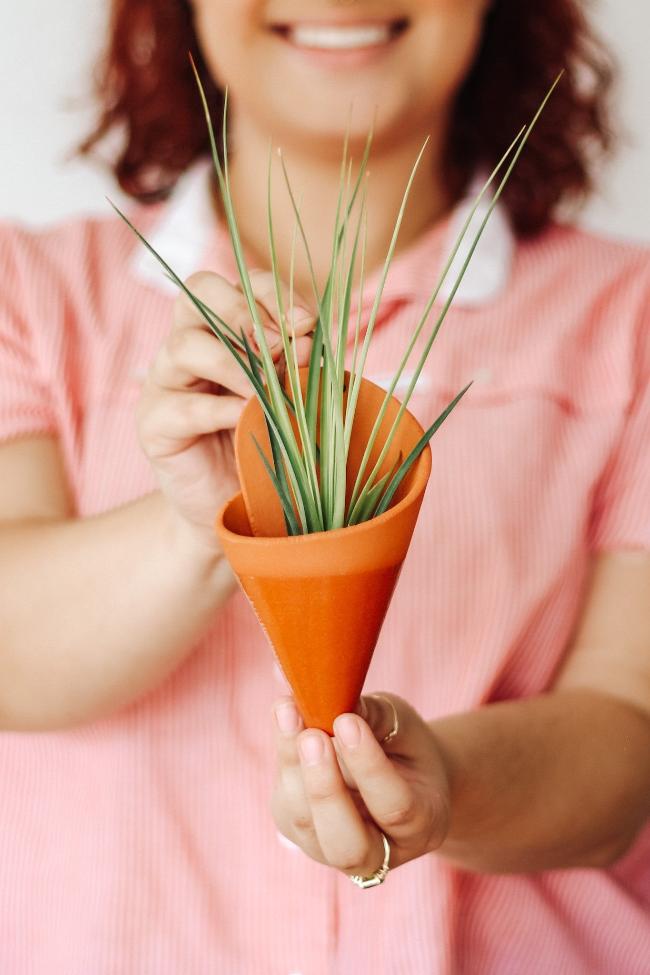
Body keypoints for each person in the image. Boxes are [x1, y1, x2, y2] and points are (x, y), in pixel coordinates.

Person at [1, 0, 649, 972]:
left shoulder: (628, 321)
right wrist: (203, 524)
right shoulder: (34, 293)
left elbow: (627, 737)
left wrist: (446, 788)